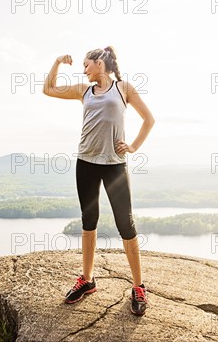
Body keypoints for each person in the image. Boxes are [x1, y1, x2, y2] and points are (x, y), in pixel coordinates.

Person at [43, 46, 155, 316]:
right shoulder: (84, 90)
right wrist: (58, 61)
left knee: (125, 224)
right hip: (86, 163)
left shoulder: (123, 88)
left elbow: (149, 119)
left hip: (115, 165)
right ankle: (88, 280)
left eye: (86, 64)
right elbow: (49, 89)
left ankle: (138, 287)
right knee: (89, 221)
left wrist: (133, 146)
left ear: (100, 63)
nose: (83, 70)